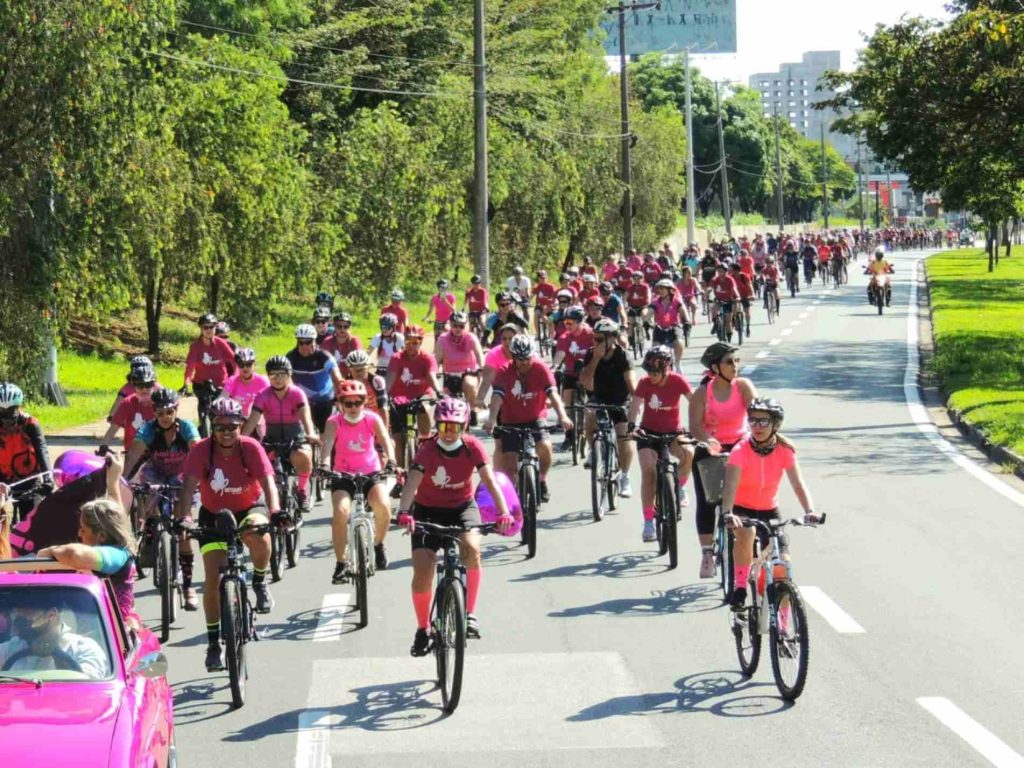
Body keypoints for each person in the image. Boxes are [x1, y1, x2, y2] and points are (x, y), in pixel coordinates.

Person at [395, 397, 513, 651]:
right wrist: (404, 511)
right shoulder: (427, 449)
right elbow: (412, 482)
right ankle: (422, 628)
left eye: (455, 427)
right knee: (423, 572)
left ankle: (469, 614)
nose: (449, 433)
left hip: (462, 509)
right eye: (443, 426)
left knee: (472, 550)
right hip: (427, 512)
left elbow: (489, 481)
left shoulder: (473, 447)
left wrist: (504, 512)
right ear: (437, 426)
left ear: (464, 426)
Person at [176, 397, 279, 672]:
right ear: (212, 426)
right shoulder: (201, 450)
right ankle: (213, 644)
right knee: (212, 580)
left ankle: (259, 582)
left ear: (241, 425)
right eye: (220, 427)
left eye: (232, 426)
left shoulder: (250, 447)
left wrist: (276, 511)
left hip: (249, 507)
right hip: (214, 514)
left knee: (259, 534)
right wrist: (185, 519)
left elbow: (269, 482)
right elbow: (187, 489)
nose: (226, 432)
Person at [721, 398, 822, 609]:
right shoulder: (740, 450)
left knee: (782, 568)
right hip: (742, 509)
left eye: (763, 421)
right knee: (746, 533)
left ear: (775, 424)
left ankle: (783, 624)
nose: (757, 426)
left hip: (770, 511)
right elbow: (730, 484)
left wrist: (809, 510)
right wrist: (728, 513)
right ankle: (740, 587)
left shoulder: (785, 450)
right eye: (753, 420)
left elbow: (797, 483)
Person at [122, 387, 201, 609]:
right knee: (146, 494)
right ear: (154, 413)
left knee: (183, 527)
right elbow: (133, 455)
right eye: (160, 413)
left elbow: (198, 453)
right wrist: (123, 480)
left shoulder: (187, 428)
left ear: (176, 410)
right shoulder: (148, 430)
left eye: (169, 412)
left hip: (181, 475)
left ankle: (188, 586)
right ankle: (149, 533)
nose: (165, 417)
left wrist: (202, 478)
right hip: (155, 473)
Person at [687, 342, 758, 579]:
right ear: (715, 368)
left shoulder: (743, 386)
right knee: (708, 502)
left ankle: (751, 547)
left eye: (737, 361)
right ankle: (707, 553)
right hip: (712, 449)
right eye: (729, 362)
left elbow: (756, 414)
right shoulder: (702, 393)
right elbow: (695, 427)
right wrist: (708, 440)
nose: (735, 366)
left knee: (748, 500)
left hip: (740, 447)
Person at [320, 380, 396, 583]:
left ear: (365, 402)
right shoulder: (334, 422)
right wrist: (325, 465)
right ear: (340, 404)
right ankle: (341, 563)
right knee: (341, 511)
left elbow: (386, 440)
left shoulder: (372, 419)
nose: (353, 407)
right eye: (348, 403)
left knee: (383, 506)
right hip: (343, 475)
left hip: (371, 472)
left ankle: (378, 544)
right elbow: (327, 445)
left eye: (358, 402)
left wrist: (392, 460)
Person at [483, 335, 572, 504]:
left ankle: (542, 480)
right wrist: (492, 419)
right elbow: (497, 397)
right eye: (519, 359)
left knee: (545, 447)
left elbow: (553, 394)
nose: (524, 362)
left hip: (535, 418)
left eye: (527, 358)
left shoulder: (540, 368)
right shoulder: (504, 371)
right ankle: (514, 497)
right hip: (510, 420)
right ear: (513, 357)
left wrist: (563, 416)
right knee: (510, 462)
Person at [39, 489, 140, 630]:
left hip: (113, 633)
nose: (79, 533)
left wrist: (49, 551)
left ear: (101, 536)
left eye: (83, 529)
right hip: (96, 629)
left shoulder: (118, 555)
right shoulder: (112, 554)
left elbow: (74, 555)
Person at [628, 346, 695, 542]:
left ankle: (680, 487)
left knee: (689, 453)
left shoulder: (677, 380)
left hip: (673, 433)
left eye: (655, 372)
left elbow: (694, 401)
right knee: (648, 472)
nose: (650, 375)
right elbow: (635, 405)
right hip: (648, 434)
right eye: (648, 371)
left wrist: (698, 425)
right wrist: (632, 426)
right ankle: (648, 522)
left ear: (666, 370)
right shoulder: (644, 382)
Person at [243, 355, 317, 513]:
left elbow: (306, 417)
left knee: (303, 455)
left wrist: (310, 434)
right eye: (273, 375)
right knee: (260, 463)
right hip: (272, 437)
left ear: (289, 375)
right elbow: (253, 419)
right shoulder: (263, 395)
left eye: (282, 374)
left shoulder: (297, 393)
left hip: (295, 435)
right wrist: (242, 439)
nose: (277, 379)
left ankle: (302, 490)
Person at [579, 320, 635, 497]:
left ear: (612, 339)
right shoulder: (591, 354)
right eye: (594, 338)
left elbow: (631, 382)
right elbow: (585, 382)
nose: (596, 342)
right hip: (598, 396)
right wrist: (596, 358)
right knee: (589, 414)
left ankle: (625, 476)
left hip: (619, 398)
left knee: (623, 435)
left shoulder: (623, 355)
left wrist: (636, 402)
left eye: (600, 339)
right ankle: (592, 449)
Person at [0, 588, 109, 678]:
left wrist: (57, 655)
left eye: (28, 613)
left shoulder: (84, 649)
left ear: (51, 615)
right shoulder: (9, 649)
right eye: (18, 612)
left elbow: (88, 689)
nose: (19, 618)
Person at [387, 325, 442, 469]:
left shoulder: (427, 358)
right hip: (400, 397)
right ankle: (400, 472)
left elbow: (431, 376)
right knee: (399, 440)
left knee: (423, 407)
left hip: (421, 395)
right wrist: (384, 393)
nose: (411, 345)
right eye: (408, 341)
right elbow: (390, 378)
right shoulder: (396, 358)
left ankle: (425, 440)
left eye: (415, 342)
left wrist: (439, 391)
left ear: (421, 342)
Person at [0, 382, 53, 523]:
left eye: (11, 411)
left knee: (30, 523)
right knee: (3, 524)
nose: (7, 419)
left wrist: (48, 477)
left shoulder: (30, 424)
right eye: (2, 412)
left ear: (18, 407)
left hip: (29, 480)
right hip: (3, 482)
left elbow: (42, 449)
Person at [183, 313, 237, 437]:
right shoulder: (196, 346)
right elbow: (190, 366)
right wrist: (186, 383)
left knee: (220, 413)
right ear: (201, 329)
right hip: (201, 384)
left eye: (211, 327)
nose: (208, 330)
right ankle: (204, 434)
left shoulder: (220, 343)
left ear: (215, 327)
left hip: (220, 384)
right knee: (203, 414)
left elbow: (234, 361)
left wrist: (234, 378)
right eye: (205, 327)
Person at [286, 323, 343, 436]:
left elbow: (337, 378)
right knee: (305, 435)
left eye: (308, 342)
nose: (304, 346)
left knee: (326, 434)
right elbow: (287, 380)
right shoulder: (291, 357)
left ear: (314, 341)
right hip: (304, 402)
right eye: (301, 342)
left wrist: (340, 398)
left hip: (326, 401)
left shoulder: (324, 356)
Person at [551, 305, 594, 451]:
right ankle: (569, 436)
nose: (567, 325)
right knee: (567, 402)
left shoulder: (591, 334)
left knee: (592, 404)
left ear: (580, 321)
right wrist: (554, 366)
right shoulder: (564, 337)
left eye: (570, 322)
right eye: (565, 322)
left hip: (588, 372)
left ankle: (594, 426)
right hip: (571, 373)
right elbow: (560, 355)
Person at [434, 311, 485, 421]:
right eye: (455, 325)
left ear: (466, 325)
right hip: (449, 374)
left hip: (469, 372)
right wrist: (435, 371)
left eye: (461, 326)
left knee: (469, 384)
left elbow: (479, 355)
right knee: (446, 401)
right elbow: (436, 359)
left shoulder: (471, 338)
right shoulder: (442, 339)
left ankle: (473, 409)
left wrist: (481, 368)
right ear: (450, 324)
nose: (458, 328)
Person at [100, 362, 156, 453]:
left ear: (154, 385)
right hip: (132, 451)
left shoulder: (160, 402)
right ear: (134, 386)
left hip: (156, 451)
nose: (144, 389)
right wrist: (104, 445)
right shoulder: (128, 402)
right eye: (140, 386)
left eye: (148, 385)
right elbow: (114, 426)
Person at [223, 347, 270, 437]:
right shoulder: (232, 381)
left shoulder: (262, 382)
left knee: (262, 434)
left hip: (257, 420)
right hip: (237, 420)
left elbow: (271, 401)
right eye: (241, 364)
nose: (245, 368)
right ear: (237, 365)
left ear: (254, 364)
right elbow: (222, 398)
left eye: (248, 364)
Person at [343, 349, 390, 430]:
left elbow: (383, 407)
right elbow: (342, 410)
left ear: (368, 367)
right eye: (355, 370)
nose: (359, 373)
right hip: (354, 421)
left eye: (362, 369)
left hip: (375, 421)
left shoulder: (376, 381)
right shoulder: (345, 383)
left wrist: (384, 432)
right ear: (349, 369)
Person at [649, 278, 688, 371]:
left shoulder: (676, 301)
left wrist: (687, 321)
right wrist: (645, 317)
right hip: (659, 327)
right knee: (655, 349)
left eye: (663, 289)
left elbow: (683, 310)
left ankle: (678, 362)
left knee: (679, 342)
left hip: (674, 327)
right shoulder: (655, 302)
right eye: (660, 289)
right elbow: (649, 310)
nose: (661, 291)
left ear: (670, 290)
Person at [475, 323, 517, 408]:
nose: (507, 342)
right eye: (504, 339)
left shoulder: (525, 352)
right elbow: (487, 381)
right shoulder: (493, 354)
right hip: (501, 390)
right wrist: (479, 399)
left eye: (511, 339)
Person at [107, 356, 158, 423]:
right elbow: (118, 403)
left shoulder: (156, 387)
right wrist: (112, 417)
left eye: (148, 385)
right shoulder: (127, 388)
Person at [710, 264, 741, 342]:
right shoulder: (715, 280)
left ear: (726, 272)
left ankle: (729, 339)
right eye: (719, 271)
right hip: (718, 300)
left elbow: (734, 289)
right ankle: (715, 324)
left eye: (722, 271)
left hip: (728, 301)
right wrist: (707, 294)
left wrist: (737, 296)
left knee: (728, 321)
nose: (720, 273)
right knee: (713, 309)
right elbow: (711, 288)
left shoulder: (730, 279)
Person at [729, 263, 755, 338]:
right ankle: (734, 321)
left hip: (745, 296)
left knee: (747, 312)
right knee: (735, 308)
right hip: (736, 297)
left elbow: (750, 285)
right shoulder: (731, 277)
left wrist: (752, 294)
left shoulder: (744, 276)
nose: (731, 271)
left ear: (736, 270)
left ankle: (748, 326)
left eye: (732, 270)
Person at [531, 269, 557, 341]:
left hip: (549, 307)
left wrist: (549, 304)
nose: (543, 279)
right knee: (536, 314)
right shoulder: (537, 286)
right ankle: (538, 333)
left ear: (547, 277)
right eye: (541, 278)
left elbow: (555, 297)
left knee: (551, 319)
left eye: (544, 278)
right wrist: (527, 301)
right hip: (540, 306)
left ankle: (551, 336)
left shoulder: (551, 286)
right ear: (538, 278)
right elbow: (531, 295)